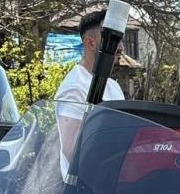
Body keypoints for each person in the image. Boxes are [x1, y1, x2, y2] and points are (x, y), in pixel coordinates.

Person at [54, 9, 127, 178]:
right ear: (91, 43)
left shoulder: (113, 86)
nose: (121, 47)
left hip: (111, 182)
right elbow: (72, 151)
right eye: (112, 39)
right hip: (83, 186)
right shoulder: (75, 87)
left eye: (120, 39)